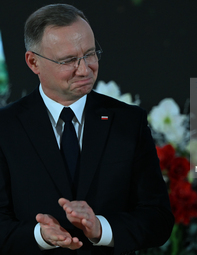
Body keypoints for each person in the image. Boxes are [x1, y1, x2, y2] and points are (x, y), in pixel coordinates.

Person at [0, 4, 174, 255]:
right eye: (69, 60)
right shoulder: (6, 128)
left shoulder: (128, 122)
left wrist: (102, 228)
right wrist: (40, 235)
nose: (85, 69)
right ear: (33, 62)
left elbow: (158, 219)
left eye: (90, 54)